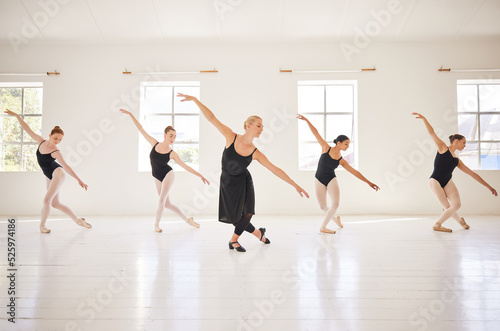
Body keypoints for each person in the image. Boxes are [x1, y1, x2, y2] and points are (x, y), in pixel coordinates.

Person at [178, 93, 309, 252]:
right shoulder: (230, 136)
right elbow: (212, 118)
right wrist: (195, 100)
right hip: (227, 182)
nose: (262, 128)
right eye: (259, 125)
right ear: (249, 126)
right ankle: (259, 234)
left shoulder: (255, 152)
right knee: (235, 218)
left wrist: (295, 184)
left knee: (247, 214)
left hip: (244, 182)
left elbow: (275, 169)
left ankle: (233, 241)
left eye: (262, 126)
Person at [120, 109, 209, 233]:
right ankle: (188, 220)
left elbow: (185, 166)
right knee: (167, 204)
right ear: (165, 135)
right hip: (157, 176)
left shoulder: (172, 153)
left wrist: (200, 175)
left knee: (161, 200)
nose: (173, 138)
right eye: (171, 136)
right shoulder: (154, 143)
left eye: (175, 137)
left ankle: (156, 225)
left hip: (168, 174)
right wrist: (130, 115)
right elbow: (141, 129)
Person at [4, 109, 91, 233]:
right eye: (56, 138)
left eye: (60, 140)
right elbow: (27, 128)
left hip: (58, 174)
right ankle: (78, 220)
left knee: (46, 201)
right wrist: (17, 115)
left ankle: (42, 226)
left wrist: (79, 180)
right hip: (49, 175)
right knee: (55, 204)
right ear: (50, 135)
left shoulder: (56, 152)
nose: (57, 141)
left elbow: (66, 166)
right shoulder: (40, 141)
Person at [413, 112, 497, 232]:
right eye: (464, 142)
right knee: (447, 206)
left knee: (456, 205)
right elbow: (432, 133)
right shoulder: (443, 147)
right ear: (456, 141)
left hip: (447, 181)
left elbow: (473, 174)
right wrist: (424, 119)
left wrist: (489, 187)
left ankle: (460, 221)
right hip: (434, 181)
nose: (465, 146)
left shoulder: (457, 161)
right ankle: (438, 224)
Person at [297, 114, 380, 234]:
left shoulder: (342, 160)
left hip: (331, 179)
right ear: (339, 143)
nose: (347, 146)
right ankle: (337, 221)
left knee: (335, 204)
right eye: (346, 143)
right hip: (319, 179)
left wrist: (369, 183)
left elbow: (355, 172)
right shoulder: (326, 147)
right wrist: (307, 120)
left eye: (348, 144)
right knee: (323, 207)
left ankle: (323, 227)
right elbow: (316, 133)